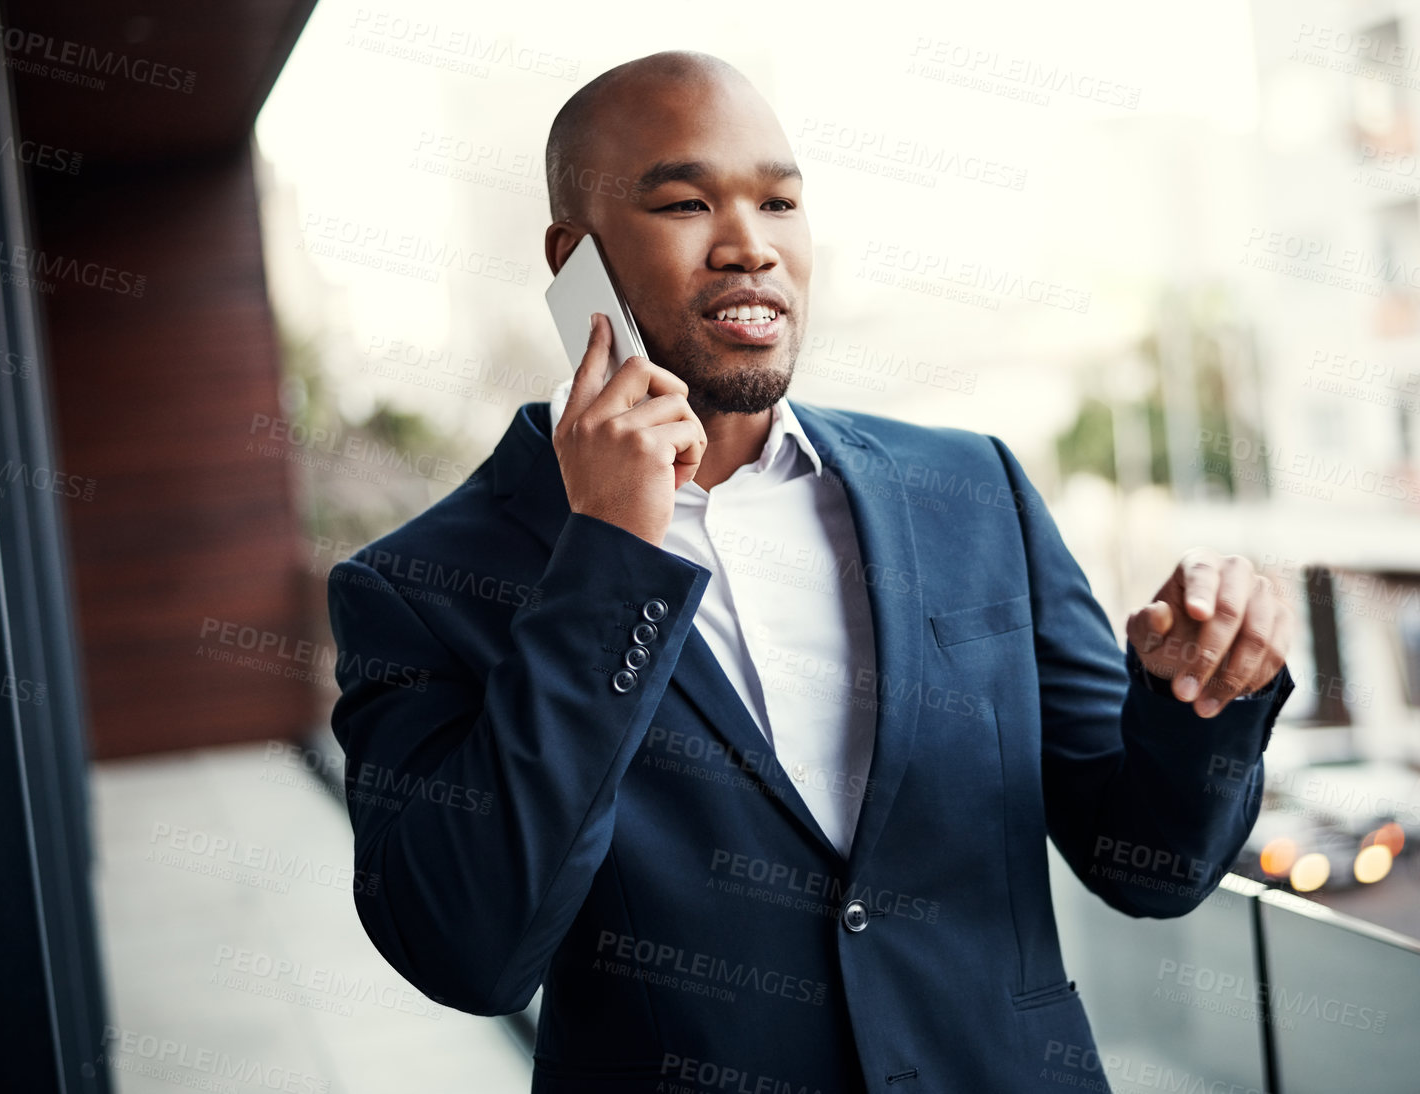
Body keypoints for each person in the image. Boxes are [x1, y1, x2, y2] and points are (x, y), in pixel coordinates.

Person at [326, 49, 1296, 1094]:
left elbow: (1147, 863)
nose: (750, 245)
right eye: (689, 202)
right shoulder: (421, 583)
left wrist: (1199, 694)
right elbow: (467, 950)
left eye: (780, 201)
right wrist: (608, 557)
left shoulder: (971, 489)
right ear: (575, 261)